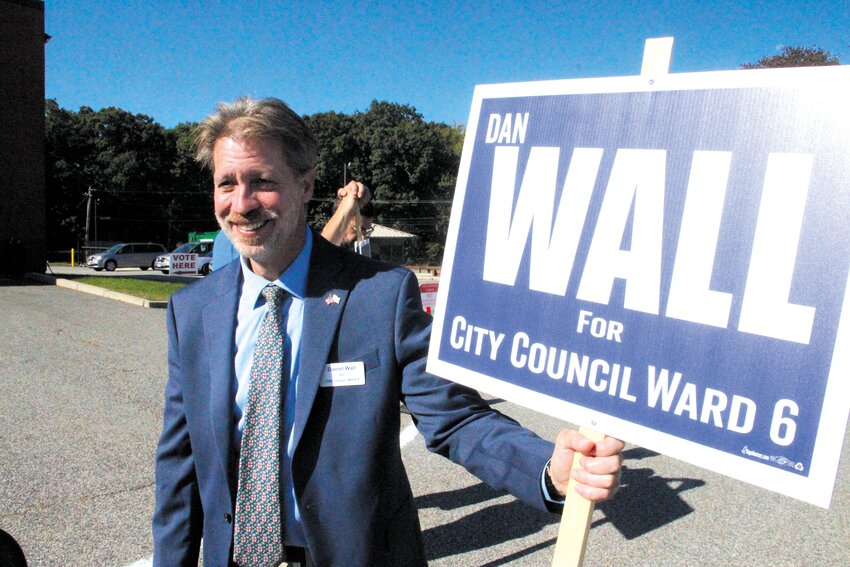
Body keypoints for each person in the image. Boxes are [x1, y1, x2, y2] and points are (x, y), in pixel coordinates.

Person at [152, 96, 623, 567]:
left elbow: (454, 418)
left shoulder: (381, 295)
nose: (242, 203)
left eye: (262, 182)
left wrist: (549, 470)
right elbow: (181, 465)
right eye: (227, 183)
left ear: (306, 184)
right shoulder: (191, 312)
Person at [211, 181, 372, 270]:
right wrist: (346, 208)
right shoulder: (234, 239)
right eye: (358, 230)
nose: (362, 237)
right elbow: (314, 264)